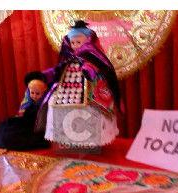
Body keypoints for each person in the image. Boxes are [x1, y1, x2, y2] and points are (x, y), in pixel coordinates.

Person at [38, 19, 120, 149]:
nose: (75, 45)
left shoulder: (92, 55)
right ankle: (68, 138)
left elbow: (96, 67)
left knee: (91, 108)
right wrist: (46, 75)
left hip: (90, 87)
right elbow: (58, 69)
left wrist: (89, 70)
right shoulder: (69, 57)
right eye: (73, 42)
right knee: (55, 103)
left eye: (78, 42)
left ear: (87, 40)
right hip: (68, 88)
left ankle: (90, 140)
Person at [0, 70, 50, 150]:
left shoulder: (45, 102)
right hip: (25, 120)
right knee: (5, 125)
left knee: (13, 134)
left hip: (34, 126)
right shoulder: (28, 98)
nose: (34, 96)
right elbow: (23, 110)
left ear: (43, 92)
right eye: (32, 93)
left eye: (37, 93)